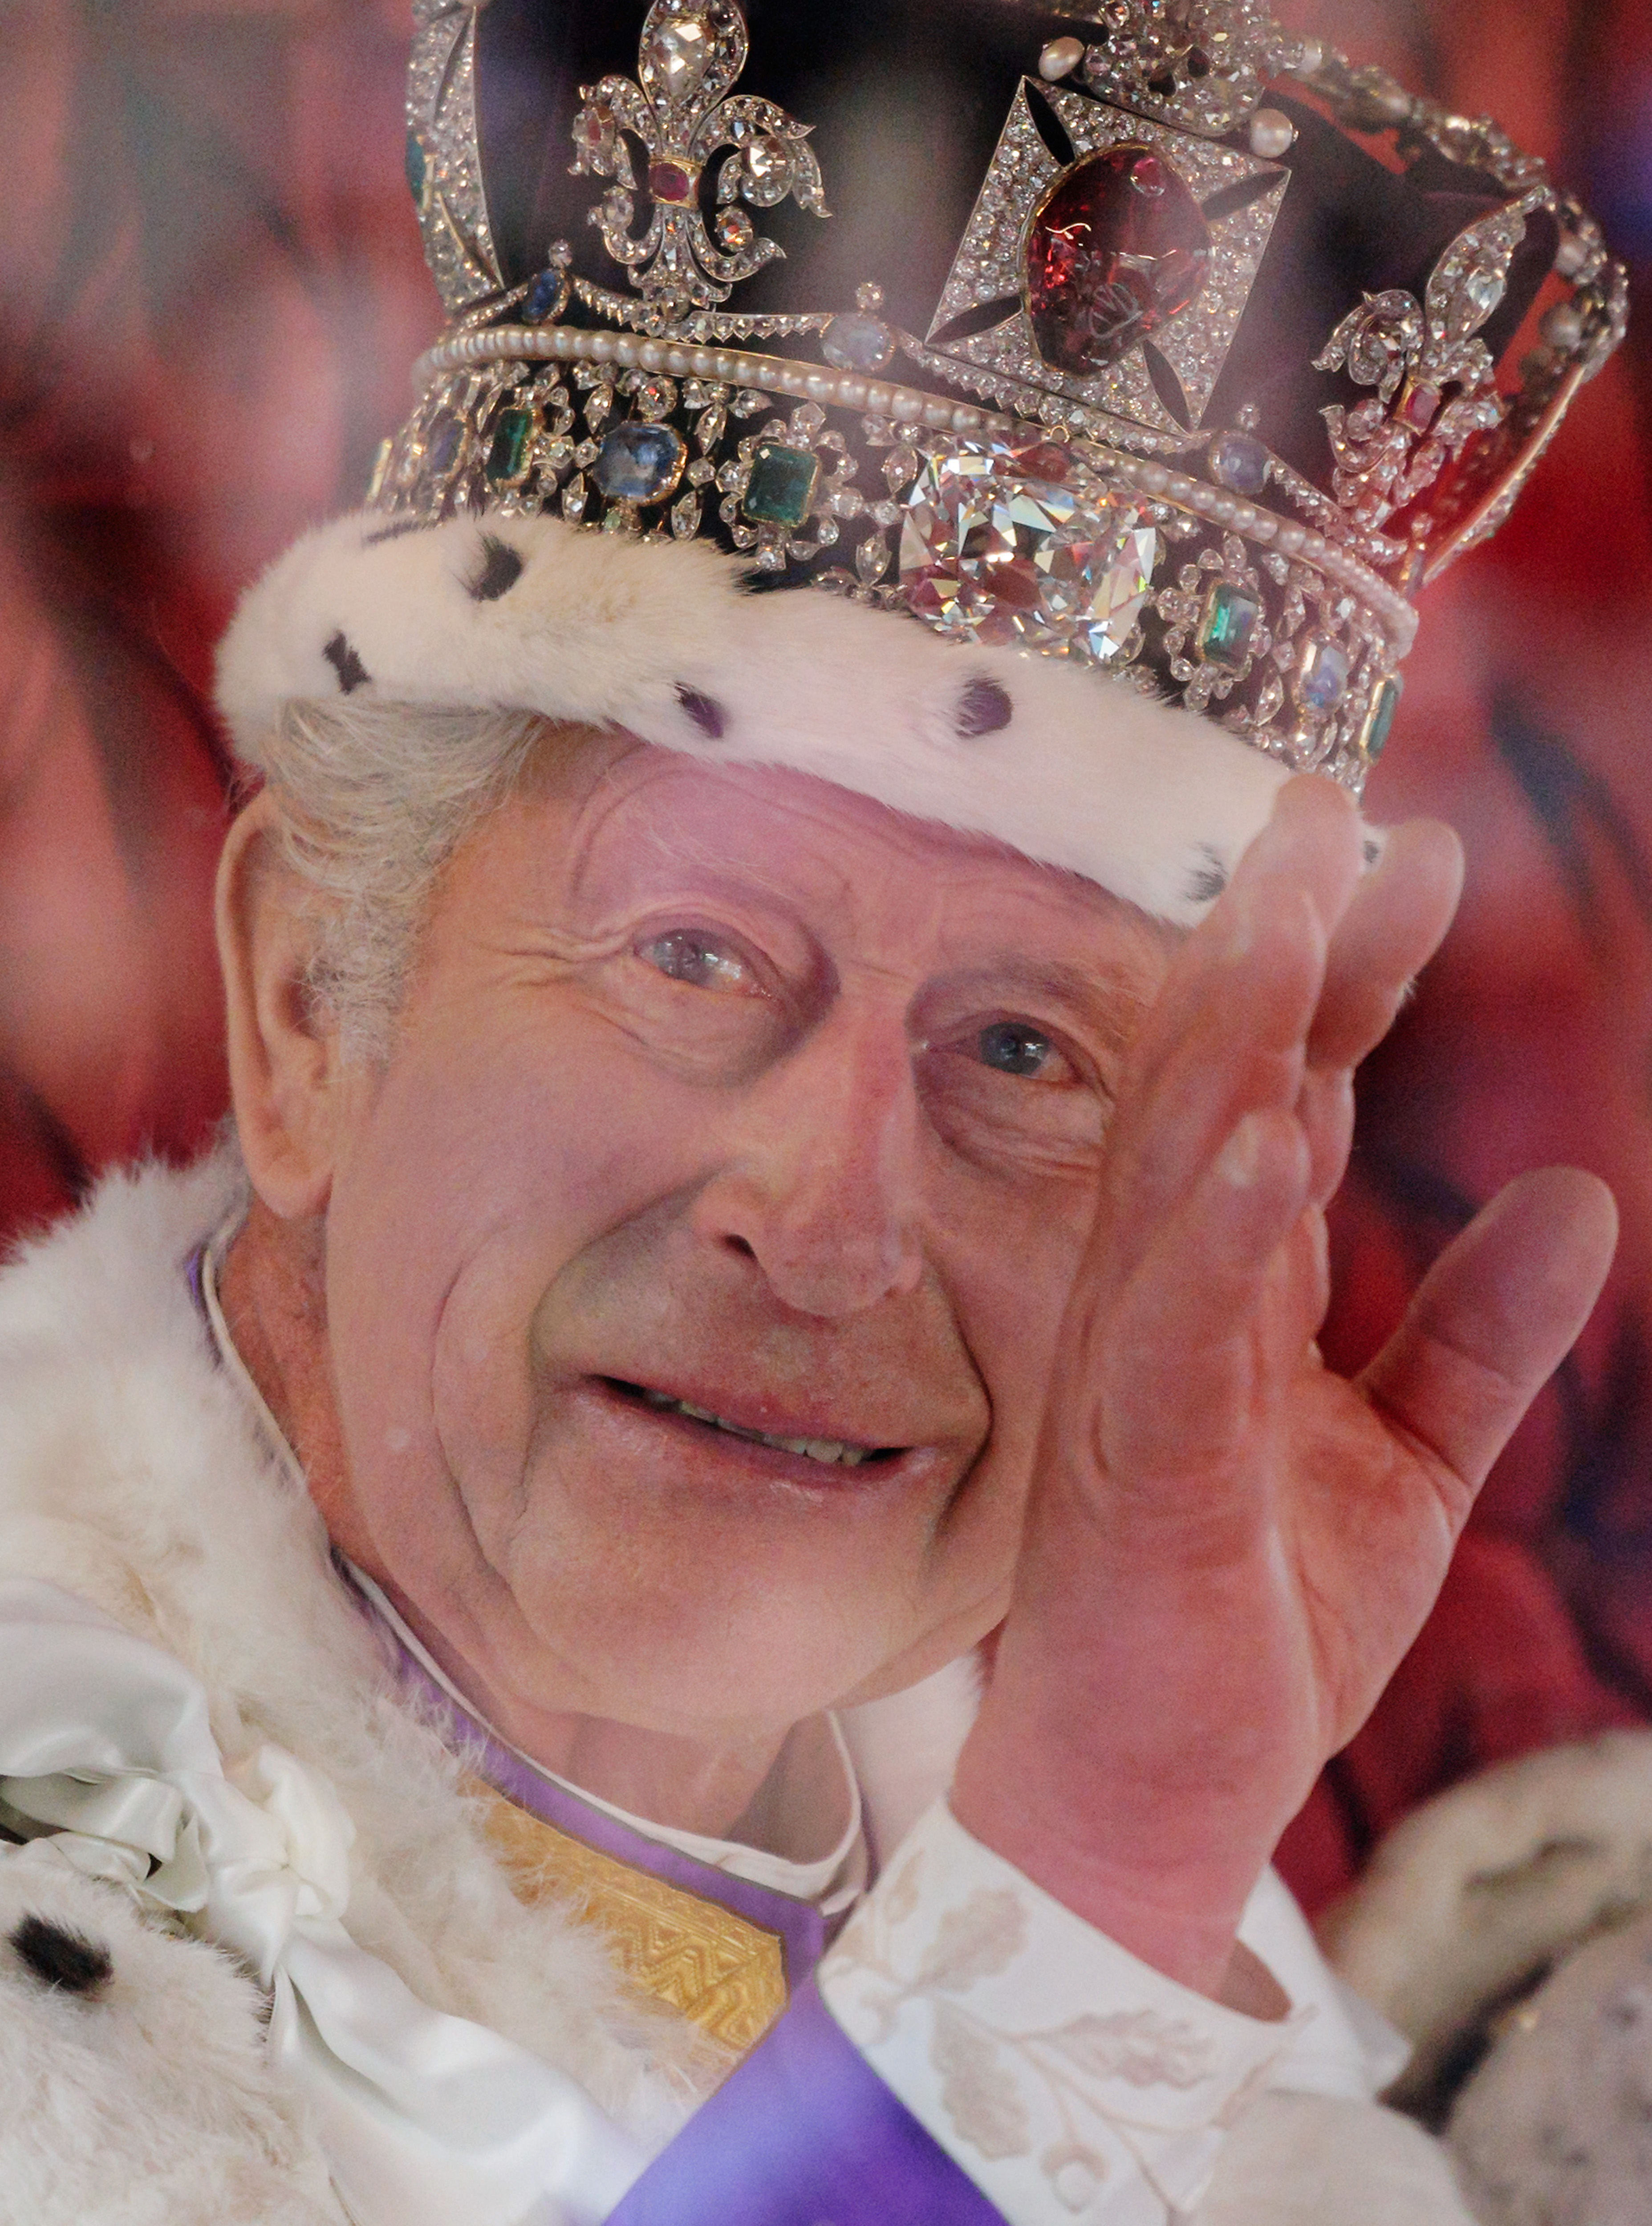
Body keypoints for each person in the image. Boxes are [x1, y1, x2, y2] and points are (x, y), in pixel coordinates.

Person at [0, 3, 1629, 2222]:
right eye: (695, 960)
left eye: (1030, 1050)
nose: (838, 1217)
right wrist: (1079, 1915)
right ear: (308, 1006)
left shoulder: (1168, 1955)